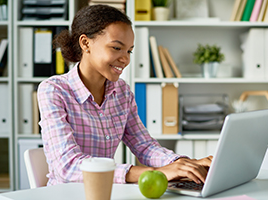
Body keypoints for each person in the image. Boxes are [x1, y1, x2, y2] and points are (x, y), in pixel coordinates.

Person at [37, 4, 212, 186]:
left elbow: (144, 146)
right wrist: (153, 172)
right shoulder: (54, 91)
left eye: (129, 51)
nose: (126, 59)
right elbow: (68, 167)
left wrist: (182, 164)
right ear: (85, 43)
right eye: (116, 48)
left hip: (107, 193)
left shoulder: (121, 92)